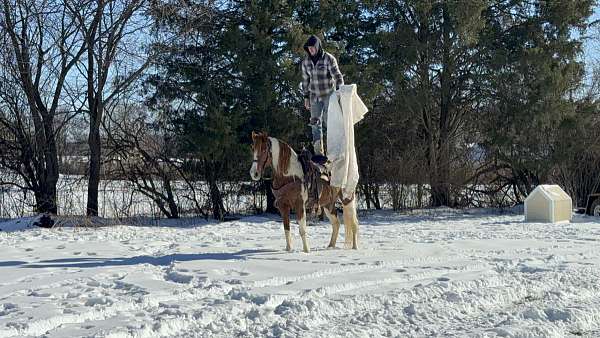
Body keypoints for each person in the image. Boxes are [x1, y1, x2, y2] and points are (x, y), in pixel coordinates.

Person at [302, 35, 344, 158]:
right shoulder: (306, 63)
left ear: (318, 47)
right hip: (314, 97)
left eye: (313, 48)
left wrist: (339, 91)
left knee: (329, 122)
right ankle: (318, 152)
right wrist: (306, 97)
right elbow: (305, 80)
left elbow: (337, 76)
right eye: (309, 49)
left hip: (328, 95)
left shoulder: (328, 59)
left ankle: (333, 151)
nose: (311, 51)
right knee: (315, 123)